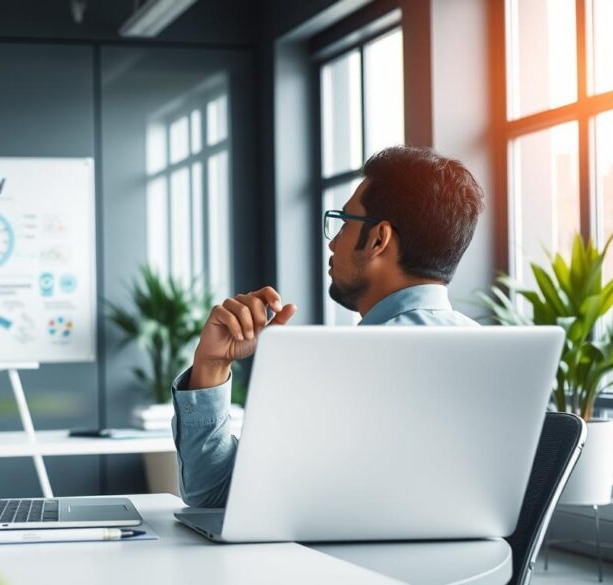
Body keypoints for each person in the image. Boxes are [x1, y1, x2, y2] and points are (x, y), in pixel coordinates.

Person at [171, 145, 487, 508]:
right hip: (473, 567)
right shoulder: (491, 361)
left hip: (334, 566)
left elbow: (213, 494)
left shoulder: (339, 366)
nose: (334, 242)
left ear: (378, 239)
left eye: (345, 223)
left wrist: (210, 365)